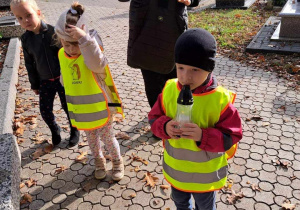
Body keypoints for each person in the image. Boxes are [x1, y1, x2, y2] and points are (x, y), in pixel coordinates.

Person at [148, 28, 243, 210]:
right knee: (180, 202)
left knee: (205, 207)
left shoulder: (220, 99)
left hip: (204, 178)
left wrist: (203, 136)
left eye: (195, 69)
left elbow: (232, 137)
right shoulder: (169, 90)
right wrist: (165, 126)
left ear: (208, 70)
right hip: (177, 173)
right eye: (180, 68)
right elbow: (154, 118)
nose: (185, 77)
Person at [54, 2, 125, 180]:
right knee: (92, 142)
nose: (70, 49)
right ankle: (99, 161)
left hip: (101, 109)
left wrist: (85, 40)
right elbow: (65, 78)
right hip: (83, 112)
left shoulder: (91, 51)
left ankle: (117, 161)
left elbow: (96, 64)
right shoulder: (62, 54)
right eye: (66, 43)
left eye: (74, 44)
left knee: (108, 140)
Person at [10, 0, 80, 147]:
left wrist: (69, 77)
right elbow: (29, 63)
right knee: (45, 111)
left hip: (62, 79)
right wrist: (34, 84)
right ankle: (55, 129)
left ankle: (75, 130)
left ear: (38, 13)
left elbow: (65, 54)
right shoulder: (26, 39)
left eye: (28, 15)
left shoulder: (53, 32)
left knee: (68, 107)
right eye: (20, 18)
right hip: (45, 81)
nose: (25, 21)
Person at [127, 0, 200, 109]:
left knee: (177, 82)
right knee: (152, 84)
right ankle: (159, 120)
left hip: (173, 29)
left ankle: (178, 116)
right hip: (145, 29)